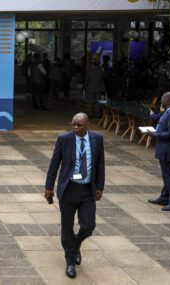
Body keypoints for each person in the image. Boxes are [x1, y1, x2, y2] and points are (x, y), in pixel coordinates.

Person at [45, 113, 105, 279]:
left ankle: (75, 244)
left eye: (79, 125)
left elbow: (100, 164)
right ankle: (70, 261)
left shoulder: (97, 139)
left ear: (87, 125)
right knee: (67, 227)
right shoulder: (64, 139)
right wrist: (49, 186)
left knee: (89, 225)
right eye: (74, 125)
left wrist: (100, 186)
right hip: (69, 190)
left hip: (87, 190)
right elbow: (54, 163)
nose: (76, 128)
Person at [147, 92, 170, 211]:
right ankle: (164, 197)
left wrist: (155, 134)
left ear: (168, 99)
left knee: (169, 176)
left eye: (162, 98)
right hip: (166, 148)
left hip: (168, 149)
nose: (161, 101)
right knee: (166, 175)